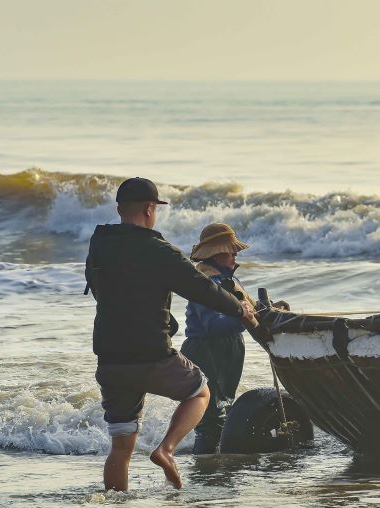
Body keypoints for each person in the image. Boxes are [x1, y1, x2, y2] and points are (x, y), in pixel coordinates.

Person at [85, 177, 257, 491]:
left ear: (120, 209)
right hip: (151, 353)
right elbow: (202, 288)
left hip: (110, 358)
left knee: (121, 448)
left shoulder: (100, 244)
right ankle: (166, 448)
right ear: (150, 209)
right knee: (200, 392)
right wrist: (239, 309)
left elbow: (100, 291)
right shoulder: (159, 250)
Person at [181, 223, 280, 454]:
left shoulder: (227, 280)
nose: (235, 254)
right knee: (211, 417)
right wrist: (243, 317)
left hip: (227, 351)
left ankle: (211, 458)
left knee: (222, 407)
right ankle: (205, 466)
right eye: (231, 250)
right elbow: (212, 325)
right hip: (207, 351)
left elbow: (249, 309)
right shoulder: (205, 283)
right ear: (215, 253)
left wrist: (269, 310)